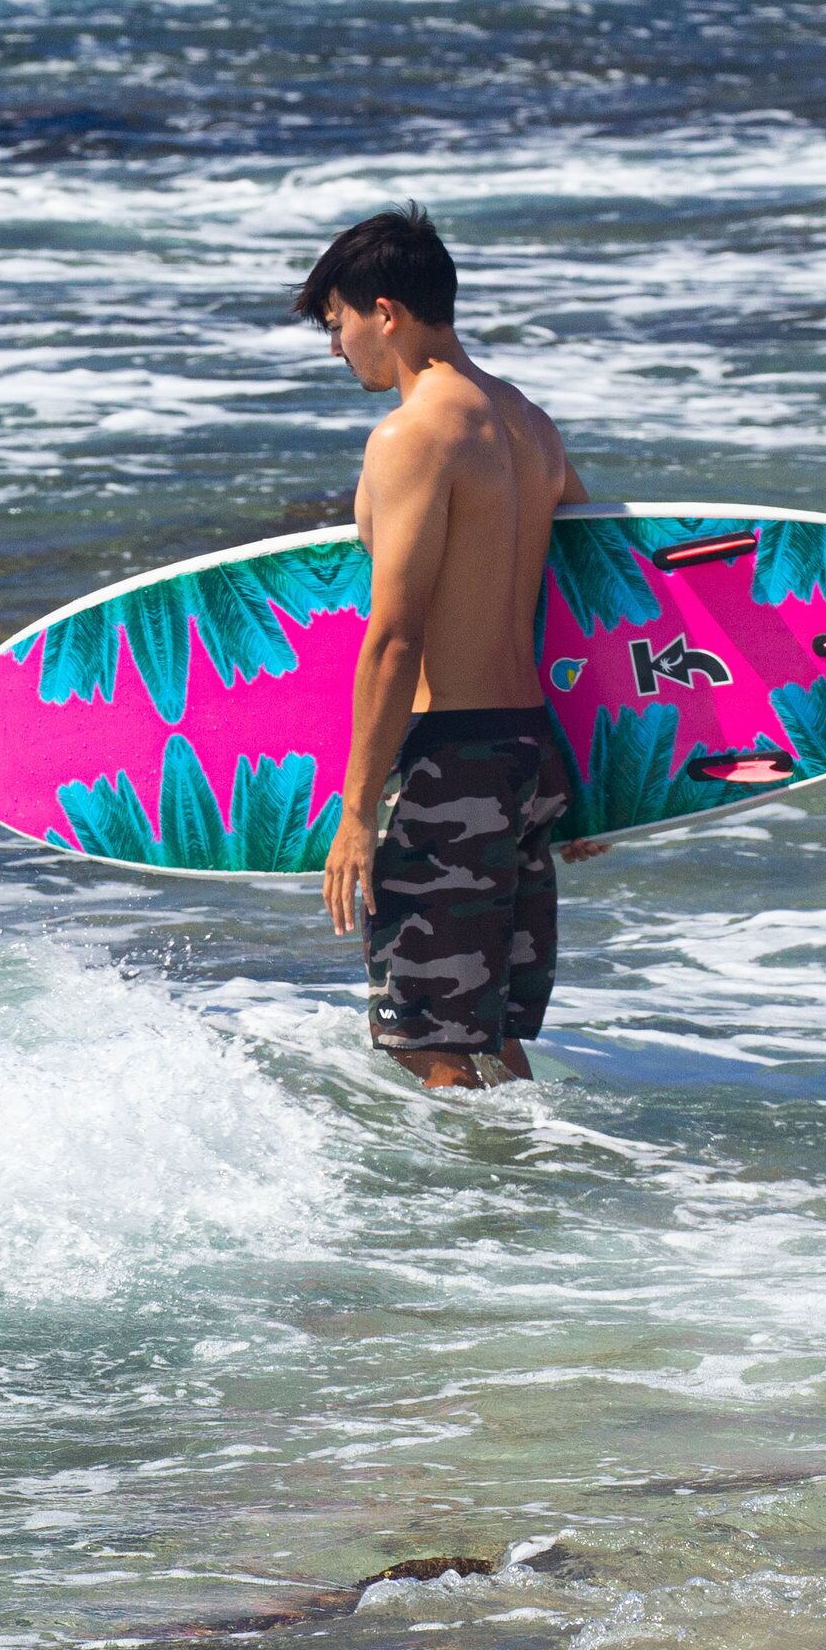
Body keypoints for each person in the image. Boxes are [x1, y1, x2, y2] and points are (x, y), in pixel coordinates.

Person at [293, 208, 599, 1090]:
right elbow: (588, 593)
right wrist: (590, 771)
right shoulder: (529, 423)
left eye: (339, 325)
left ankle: (478, 1191)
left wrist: (357, 810)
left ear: (385, 313)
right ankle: (541, 1173)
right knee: (492, 1038)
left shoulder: (415, 435)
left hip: (448, 766)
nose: (338, 348)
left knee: (431, 1045)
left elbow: (397, 635)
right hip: (527, 754)